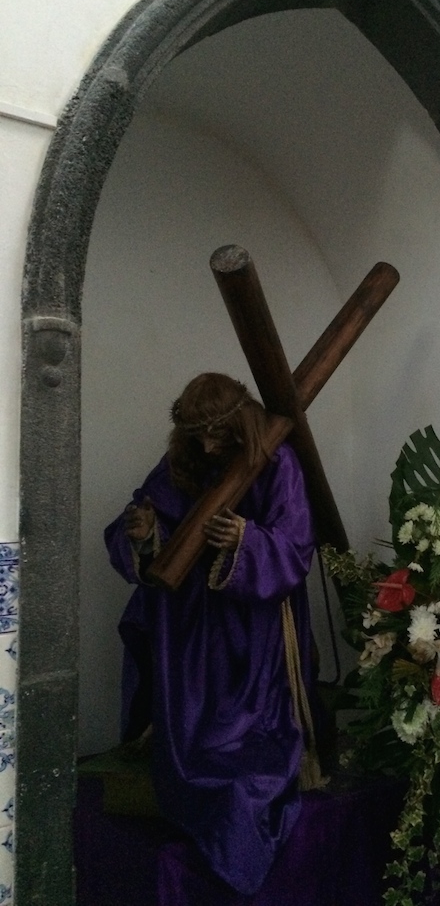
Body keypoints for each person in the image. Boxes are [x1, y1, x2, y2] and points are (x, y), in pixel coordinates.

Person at [105, 372, 318, 896]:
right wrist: (144, 531)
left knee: (247, 749)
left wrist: (246, 540)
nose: (207, 446)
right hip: (193, 625)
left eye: (217, 434)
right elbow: (143, 514)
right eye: (197, 435)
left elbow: (295, 546)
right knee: (190, 736)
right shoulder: (183, 461)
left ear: (240, 423)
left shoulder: (278, 463)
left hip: (254, 624)